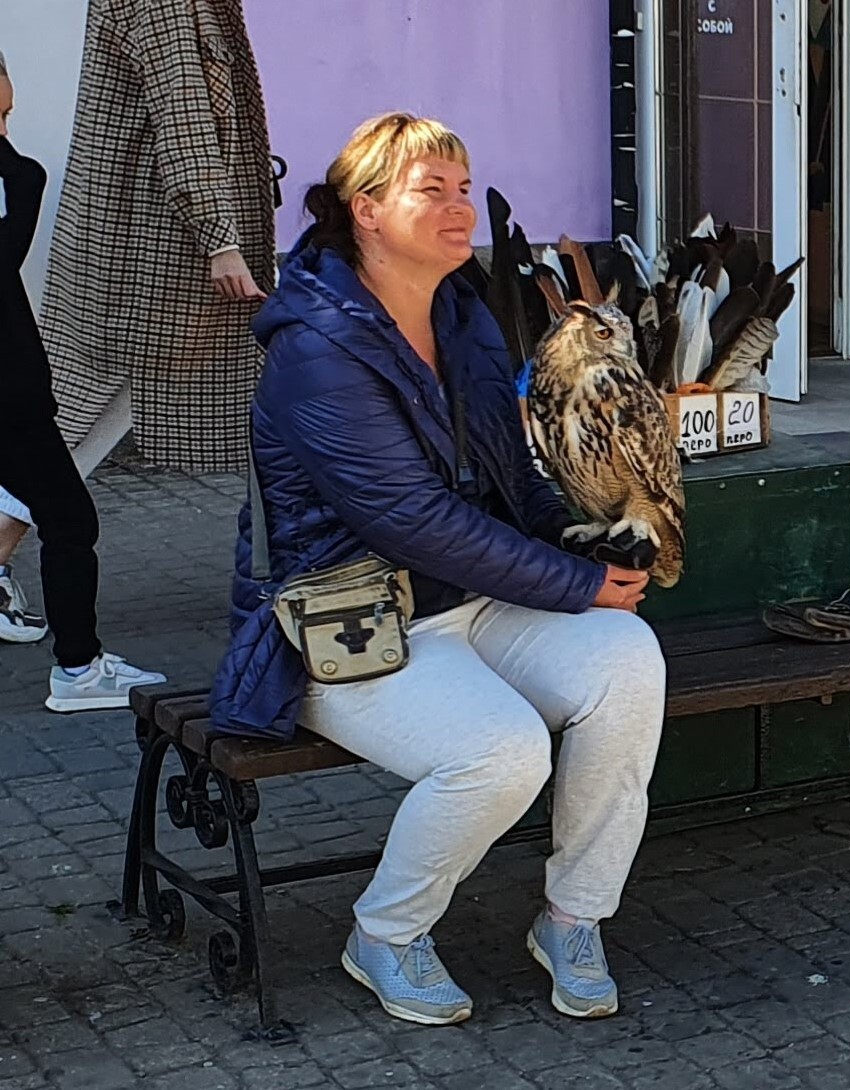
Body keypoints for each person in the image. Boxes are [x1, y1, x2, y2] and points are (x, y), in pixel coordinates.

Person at [207, 113, 667, 1025]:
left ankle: (574, 915)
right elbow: (412, 521)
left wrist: (584, 545)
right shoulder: (314, 351)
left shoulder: (460, 317)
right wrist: (572, 585)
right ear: (365, 210)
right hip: (345, 622)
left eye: (464, 189)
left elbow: (511, 471)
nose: (459, 210)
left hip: (474, 601)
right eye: (432, 191)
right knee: (499, 752)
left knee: (626, 661)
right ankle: (386, 931)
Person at [0, 0, 277, 598]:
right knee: (81, 404)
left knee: (92, 405)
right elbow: (183, 117)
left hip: (144, 239)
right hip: (152, 246)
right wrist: (220, 239)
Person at [0, 51, 167, 710]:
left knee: (57, 514)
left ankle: (80, 664)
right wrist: (18, 170)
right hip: (8, 391)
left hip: (16, 386)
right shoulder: (14, 175)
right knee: (69, 519)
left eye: (8, 114)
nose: (5, 130)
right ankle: (78, 669)